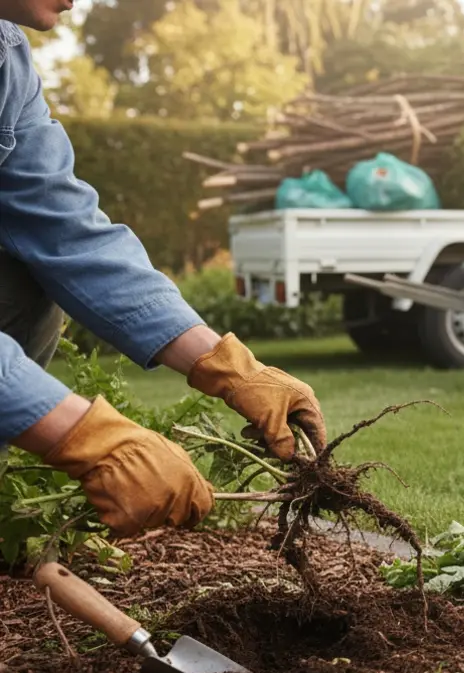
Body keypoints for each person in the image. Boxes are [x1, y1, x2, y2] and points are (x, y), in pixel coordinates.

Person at [1, 10, 326, 539]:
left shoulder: (6, 58)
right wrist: (84, 435)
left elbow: (64, 228)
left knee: (26, 284)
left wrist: (228, 367)